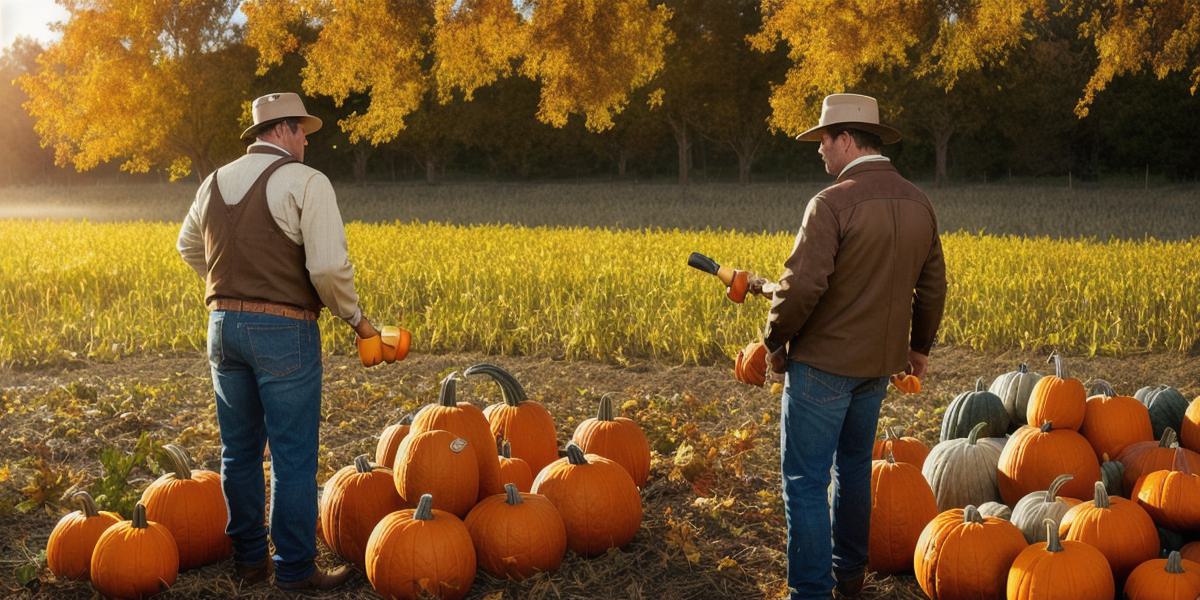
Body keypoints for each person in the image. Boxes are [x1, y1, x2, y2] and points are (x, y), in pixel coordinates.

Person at [177, 92, 380, 591]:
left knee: (238, 451)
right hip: (283, 329)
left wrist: (232, 287)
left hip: (221, 327)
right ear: (284, 130)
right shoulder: (306, 181)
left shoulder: (213, 182)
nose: (307, 140)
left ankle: (249, 562)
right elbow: (328, 268)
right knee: (292, 455)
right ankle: (293, 569)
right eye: (303, 131)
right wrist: (358, 322)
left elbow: (187, 246)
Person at [755, 93, 946, 599]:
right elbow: (932, 286)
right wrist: (918, 348)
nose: (819, 152)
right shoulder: (918, 201)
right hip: (877, 368)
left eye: (823, 141)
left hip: (822, 367)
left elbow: (800, 289)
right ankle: (850, 576)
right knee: (855, 469)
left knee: (804, 482)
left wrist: (773, 342)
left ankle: (812, 592)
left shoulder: (831, 203)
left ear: (845, 140)